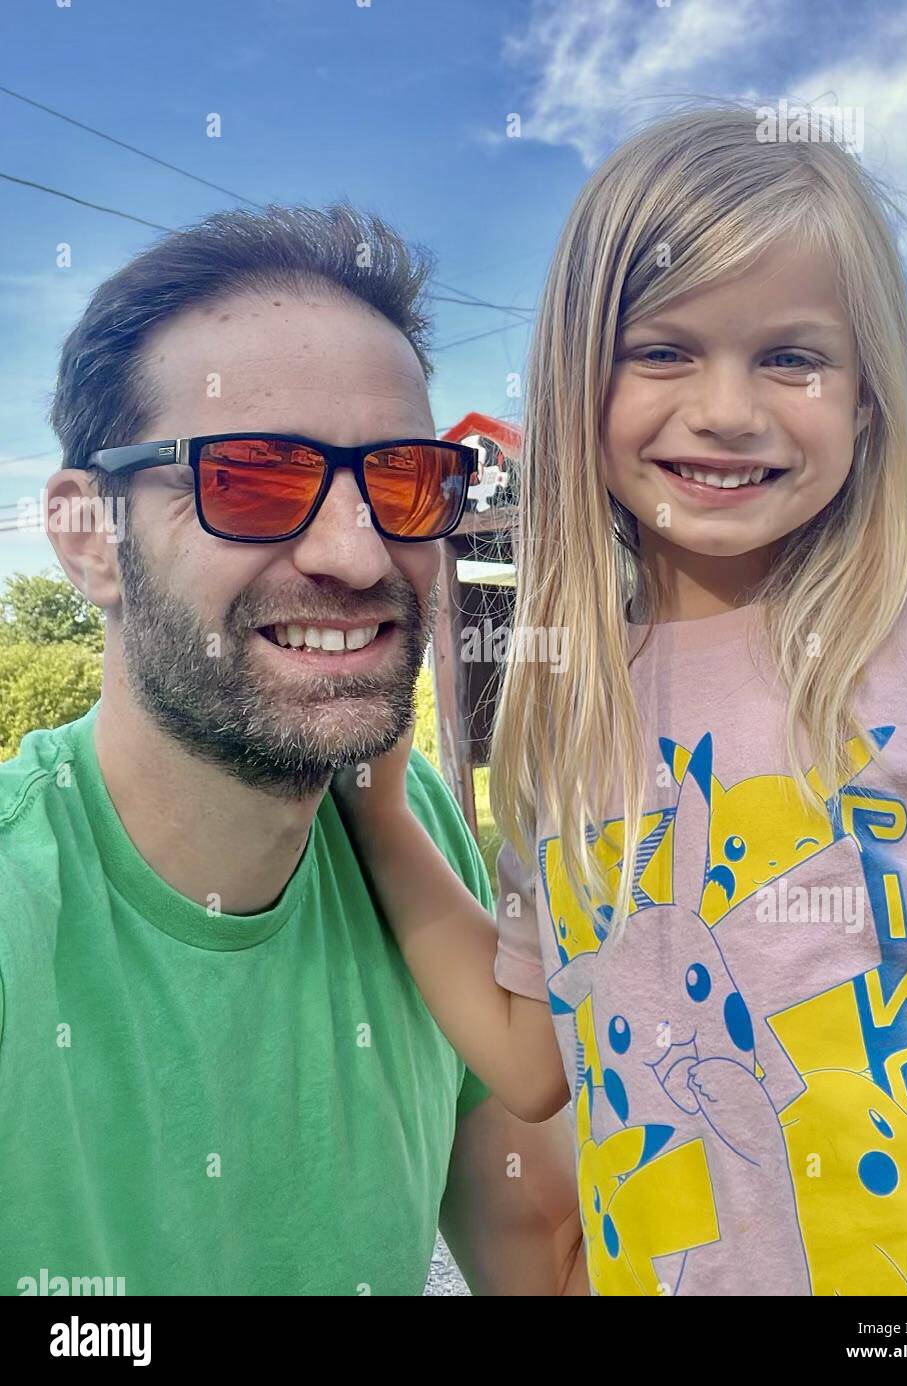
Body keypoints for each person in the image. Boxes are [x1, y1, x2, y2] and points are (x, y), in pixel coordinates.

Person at [338, 105, 907, 1296]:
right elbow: (529, 1059)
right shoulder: (561, 701)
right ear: (575, 384)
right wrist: (377, 812)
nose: (724, 408)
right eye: (661, 350)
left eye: (790, 356)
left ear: (863, 399)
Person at [0, 204, 585, 1297]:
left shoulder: (410, 826)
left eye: (406, 482)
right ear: (88, 538)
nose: (357, 555)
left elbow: (547, 1255)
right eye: (256, 477)